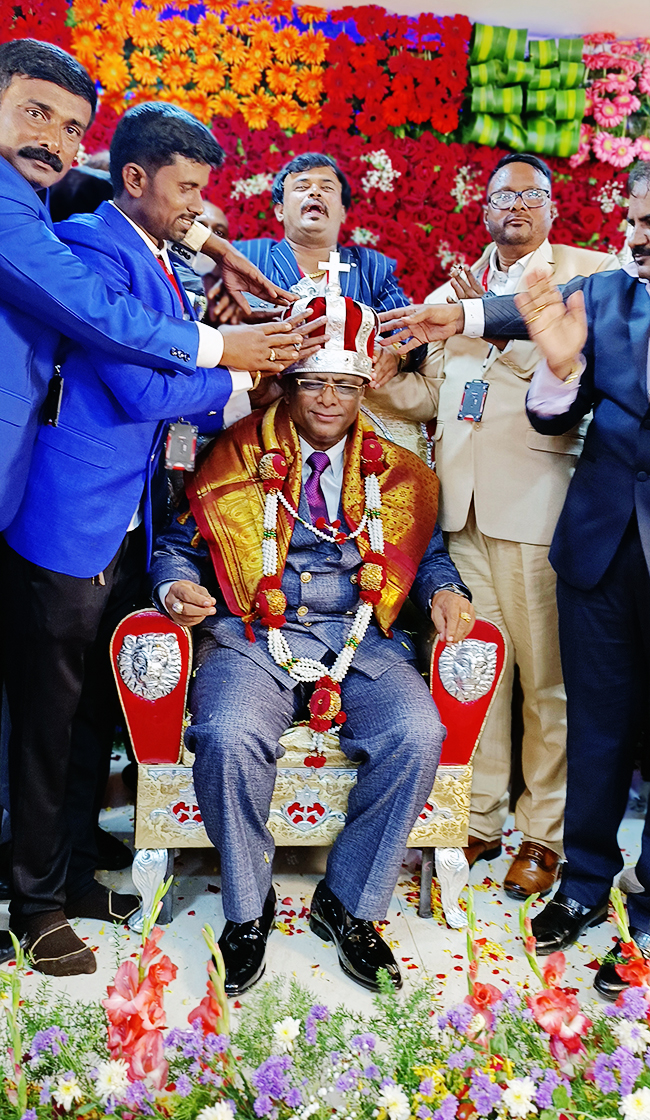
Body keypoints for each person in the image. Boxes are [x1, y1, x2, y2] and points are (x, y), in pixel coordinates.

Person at [2, 102, 324, 978]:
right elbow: (141, 392)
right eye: (186, 189)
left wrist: (213, 260)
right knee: (44, 718)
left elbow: (183, 319)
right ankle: (29, 903)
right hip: (71, 518)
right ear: (135, 179)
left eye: (206, 192)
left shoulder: (153, 244)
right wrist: (241, 372)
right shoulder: (95, 246)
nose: (200, 207)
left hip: (130, 518)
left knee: (90, 716)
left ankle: (67, 873)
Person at [150, 274, 476, 996]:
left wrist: (446, 590)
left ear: (363, 393)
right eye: (315, 384)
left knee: (418, 735)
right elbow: (179, 542)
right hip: (252, 634)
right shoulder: (233, 452)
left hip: (360, 637)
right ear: (291, 386)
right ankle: (246, 908)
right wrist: (173, 584)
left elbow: (428, 555)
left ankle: (350, 904)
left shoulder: (399, 469)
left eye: (345, 386)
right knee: (230, 733)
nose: (329, 399)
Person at [381, 159, 650, 1003]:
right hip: (523, 525)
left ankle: (592, 872)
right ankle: (529, 846)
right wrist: (412, 370)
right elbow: (485, 399)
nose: (514, 208)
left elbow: (525, 348)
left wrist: (472, 317)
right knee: (524, 694)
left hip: (543, 516)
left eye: (528, 196)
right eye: (499, 197)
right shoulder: (502, 291)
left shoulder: (584, 276)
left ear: (552, 207)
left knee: (556, 694)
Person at [0, 38, 296, 536]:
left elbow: (115, 189)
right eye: (36, 113)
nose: (53, 141)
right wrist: (230, 351)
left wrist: (218, 249)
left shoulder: (37, 190)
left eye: (71, 129)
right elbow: (101, 313)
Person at [233, 152, 425, 393]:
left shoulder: (372, 267)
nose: (315, 193)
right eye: (302, 187)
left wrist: (395, 356)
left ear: (343, 212)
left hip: (352, 405)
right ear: (280, 211)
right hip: (264, 401)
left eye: (327, 187)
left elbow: (408, 328)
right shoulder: (248, 259)